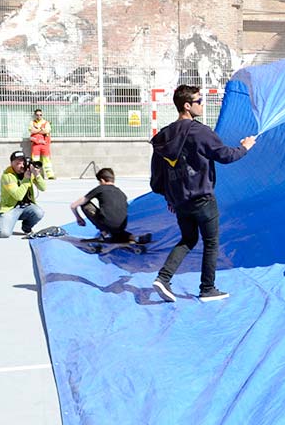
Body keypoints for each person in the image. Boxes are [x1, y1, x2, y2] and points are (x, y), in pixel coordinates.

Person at [150, 85, 256, 303]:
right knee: (211, 242)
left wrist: (170, 196)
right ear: (187, 106)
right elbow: (225, 155)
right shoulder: (199, 132)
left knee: (188, 239)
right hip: (202, 199)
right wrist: (245, 147)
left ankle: (164, 277)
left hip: (179, 202)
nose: (202, 104)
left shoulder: (163, 137)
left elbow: (157, 177)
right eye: (199, 101)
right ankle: (207, 288)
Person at [70, 167, 150, 244]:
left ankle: (105, 234)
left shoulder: (101, 188)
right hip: (121, 226)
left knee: (85, 204)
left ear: (102, 180)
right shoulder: (121, 193)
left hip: (107, 224)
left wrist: (78, 217)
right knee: (116, 228)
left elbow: (74, 205)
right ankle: (133, 237)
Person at [0, 150, 46, 238]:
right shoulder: (7, 176)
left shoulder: (28, 171)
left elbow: (43, 188)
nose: (22, 166)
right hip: (11, 208)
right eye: (18, 163)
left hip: (26, 206)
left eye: (23, 163)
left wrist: (37, 175)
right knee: (4, 234)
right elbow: (18, 196)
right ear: (12, 163)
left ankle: (26, 227)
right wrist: (26, 179)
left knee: (39, 212)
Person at [28, 109, 55, 179]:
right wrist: (41, 129)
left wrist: (37, 130)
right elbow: (32, 131)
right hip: (35, 145)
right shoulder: (32, 122)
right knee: (35, 160)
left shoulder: (46, 122)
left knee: (47, 160)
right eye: (37, 115)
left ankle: (50, 175)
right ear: (35, 115)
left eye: (40, 115)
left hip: (44, 144)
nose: (39, 116)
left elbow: (47, 131)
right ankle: (36, 175)